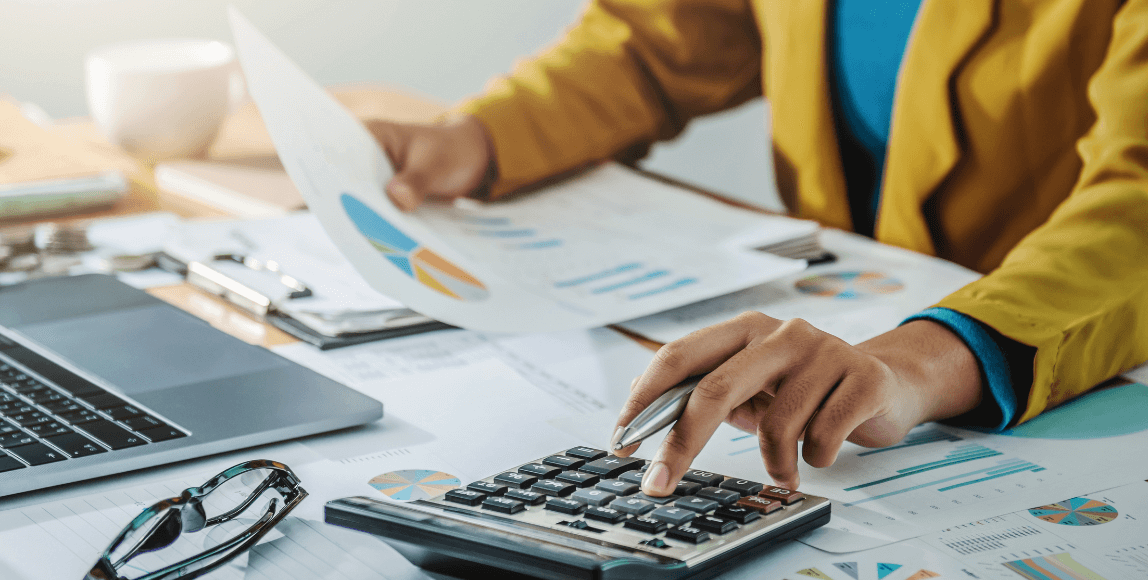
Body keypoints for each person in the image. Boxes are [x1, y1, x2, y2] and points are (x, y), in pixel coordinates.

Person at [366, 0, 1148, 496]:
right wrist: (480, 138)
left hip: (1056, 354)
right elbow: (666, 35)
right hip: (839, 308)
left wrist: (914, 364)